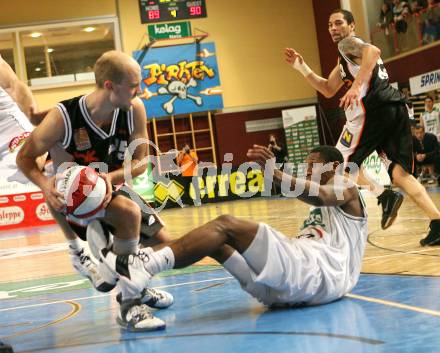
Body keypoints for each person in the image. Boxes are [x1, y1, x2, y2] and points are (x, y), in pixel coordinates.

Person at [89, 145, 368, 310]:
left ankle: (140, 264)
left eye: (313, 166)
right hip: (282, 294)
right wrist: (271, 174)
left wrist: (276, 172)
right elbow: (306, 191)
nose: (307, 171)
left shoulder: (347, 186)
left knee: (226, 225)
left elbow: (320, 194)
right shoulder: (329, 199)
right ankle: (138, 273)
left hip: (317, 273)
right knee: (214, 242)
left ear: (334, 166)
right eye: (306, 167)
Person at [17, 50, 173, 331]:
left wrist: (109, 178)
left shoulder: (134, 108)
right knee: (129, 214)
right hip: (73, 201)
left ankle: (127, 273)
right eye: (134, 84)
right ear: (110, 86)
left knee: (164, 242)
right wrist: (45, 185)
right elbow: (24, 158)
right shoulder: (63, 117)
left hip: (109, 186)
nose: (141, 90)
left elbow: (141, 162)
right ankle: (128, 302)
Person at [284, 9, 440, 245]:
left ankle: (382, 196)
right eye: (329, 25)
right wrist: (301, 67)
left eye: (338, 23)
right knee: (399, 174)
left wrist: (356, 87)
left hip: (373, 112)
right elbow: (327, 88)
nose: (333, 28)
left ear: (352, 25)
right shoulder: (345, 58)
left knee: (335, 167)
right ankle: (437, 222)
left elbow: (373, 50)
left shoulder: (348, 44)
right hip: (394, 109)